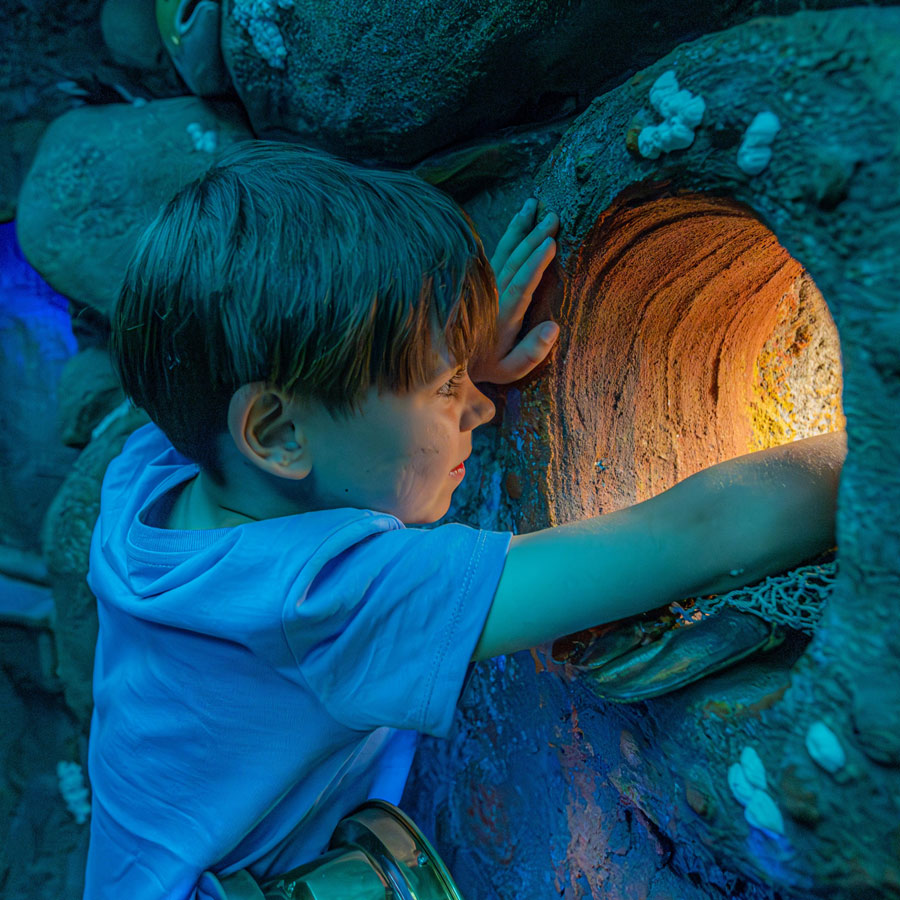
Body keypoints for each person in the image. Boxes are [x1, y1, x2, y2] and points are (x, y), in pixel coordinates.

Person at [84, 140, 844, 899]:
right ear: (278, 434)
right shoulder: (325, 599)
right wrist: (870, 458)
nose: (479, 406)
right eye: (448, 386)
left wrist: (435, 360)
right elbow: (700, 533)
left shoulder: (153, 471)